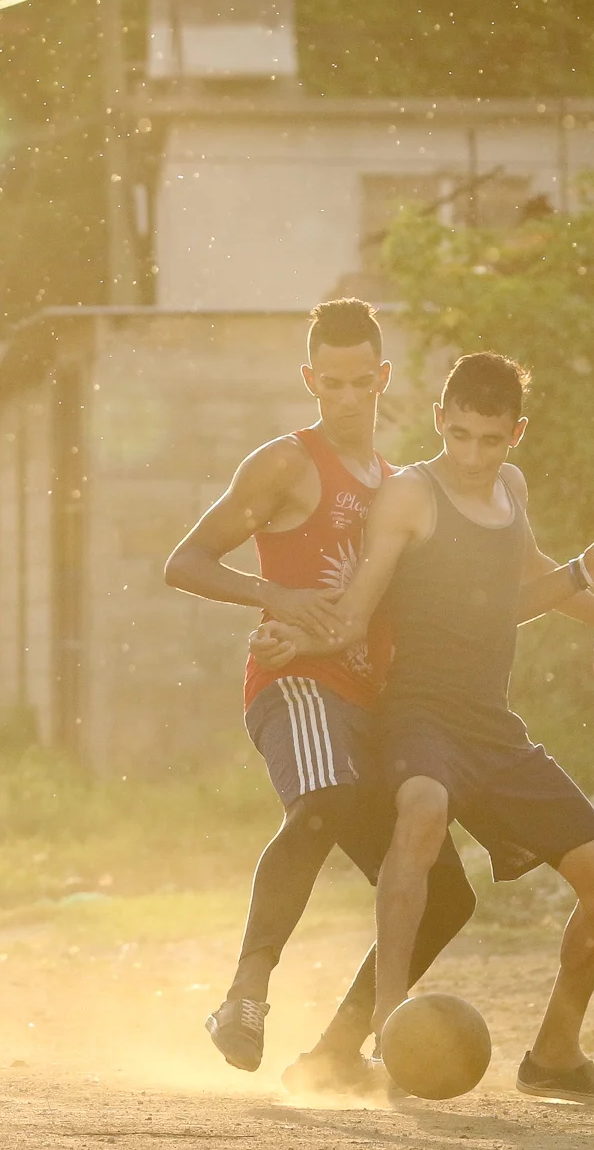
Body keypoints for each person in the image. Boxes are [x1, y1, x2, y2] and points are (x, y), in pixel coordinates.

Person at [255, 353, 594, 1104]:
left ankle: (556, 1055)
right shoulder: (411, 495)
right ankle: (387, 1026)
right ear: (441, 420)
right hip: (420, 713)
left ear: (517, 435)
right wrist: (299, 637)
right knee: (422, 809)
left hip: (493, 727)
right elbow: (358, 609)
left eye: (492, 439)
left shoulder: (510, 489)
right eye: (462, 434)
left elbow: (514, 590)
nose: (475, 455)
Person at [162, 298, 476, 1091]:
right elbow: (187, 561)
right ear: (310, 379)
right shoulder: (284, 464)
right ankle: (245, 997)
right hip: (296, 680)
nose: (345, 397)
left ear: (383, 378)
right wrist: (276, 596)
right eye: (328, 383)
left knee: (444, 892)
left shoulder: (404, 483)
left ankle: (339, 1048)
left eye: (358, 382)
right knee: (322, 799)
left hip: (376, 700)